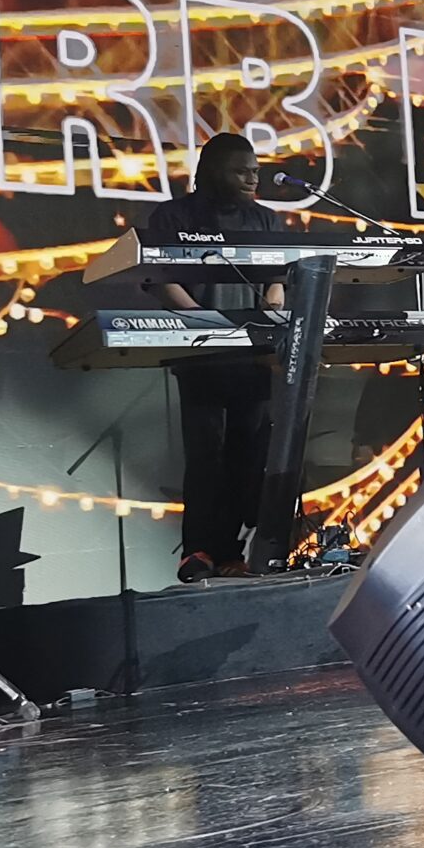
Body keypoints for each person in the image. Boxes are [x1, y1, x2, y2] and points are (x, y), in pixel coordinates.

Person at [146, 132, 284, 582]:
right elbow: (162, 280)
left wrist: (268, 318)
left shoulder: (265, 220)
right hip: (200, 354)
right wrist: (205, 324)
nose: (252, 179)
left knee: (248, 454)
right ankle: (199, 550)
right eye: (241, 171)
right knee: (206, 452)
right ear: (212, 172)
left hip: (252, 357)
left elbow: (277, 281)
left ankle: (233, 551)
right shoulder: (173, 216)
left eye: (256, 172)